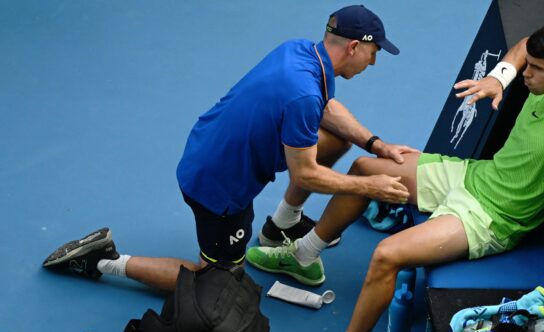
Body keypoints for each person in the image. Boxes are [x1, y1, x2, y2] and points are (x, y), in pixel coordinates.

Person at [246, 20, 544, 332]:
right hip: (473, 176)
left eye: (536, 69)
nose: (526, 74)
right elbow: (524, 45)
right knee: (364, 169)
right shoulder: (541, 76)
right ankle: (304, 256)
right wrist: (499, 77)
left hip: (489, 218)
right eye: (527, 66)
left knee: (386, 254)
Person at [41, 5, 418, 291]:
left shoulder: (301, 53)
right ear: (354, 47)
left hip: (210, 147)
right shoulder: (303, 93)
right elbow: (306, 174)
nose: (374, 62)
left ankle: (281, 226)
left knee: (336, 138)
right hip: (218, 188)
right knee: (218, 282)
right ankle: (103, 261)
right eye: (374, 53)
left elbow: (326, 108)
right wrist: (369, 187)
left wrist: (374, 144)